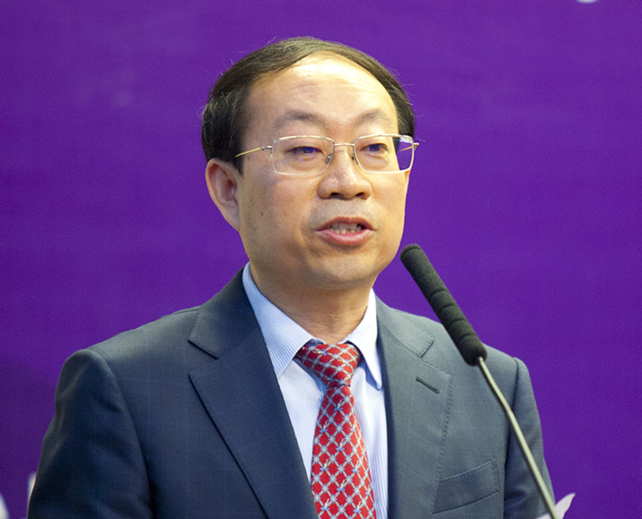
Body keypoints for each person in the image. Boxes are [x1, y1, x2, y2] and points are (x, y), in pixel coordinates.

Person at [28, 37, 553, 519]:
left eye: (375, 148)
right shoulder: (126, 390)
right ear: (228, 188)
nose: (348, 183)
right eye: (305, 149)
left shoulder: (489, 385)